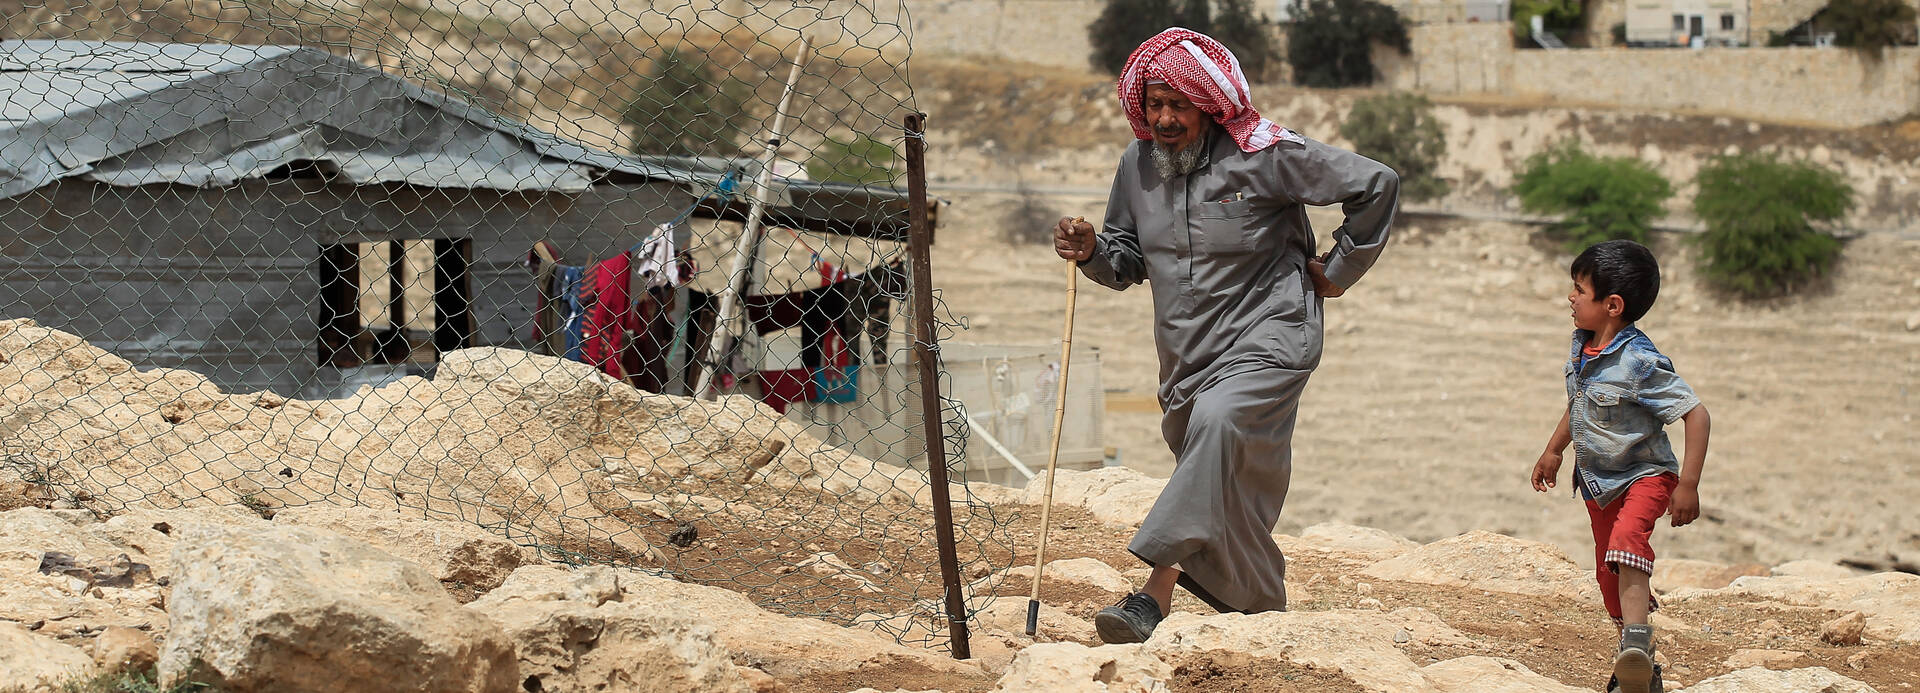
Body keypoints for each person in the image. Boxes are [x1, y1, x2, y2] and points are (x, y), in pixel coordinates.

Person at [1051, 27, 1400, 644]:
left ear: (1208, 105)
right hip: (1187, 352)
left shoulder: (1264, 155)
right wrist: (1091, 251)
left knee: (1217, 423)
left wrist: (1339, 272)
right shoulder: (1136, 165)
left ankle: (1151, 596)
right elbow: (1127, 259)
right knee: (1228, 475)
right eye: (1153, 103)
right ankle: (1260, 608)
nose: (1162, 118)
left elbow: (1376, 184)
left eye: (1177, 104)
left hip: (1272, 334)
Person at [1531, 240, 1711, 693]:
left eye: (1578, 290)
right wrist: (1554, 450)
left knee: (1628, 541)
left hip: (1646, 476)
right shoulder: (1583, 348)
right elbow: (1579, 405)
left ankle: (1636, 640)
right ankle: (1637, 668)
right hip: (1598, 484)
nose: (1570, 298)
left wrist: (1687, 484)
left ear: (1612, 305)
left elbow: (1696, 413)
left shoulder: (1640, 362)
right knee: (1609, 571)